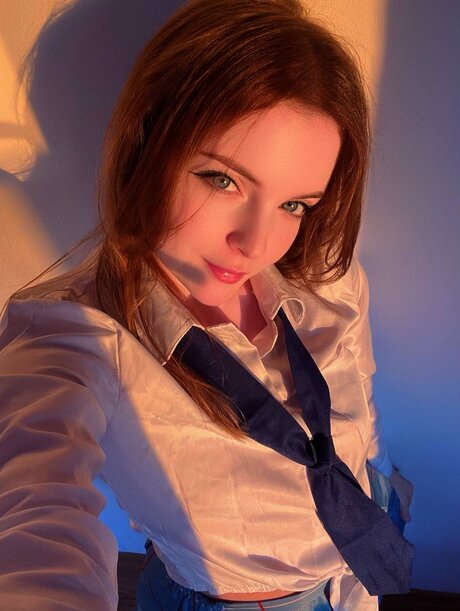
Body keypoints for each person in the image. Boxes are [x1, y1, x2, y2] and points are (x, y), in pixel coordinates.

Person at [0, 0, 414, 609]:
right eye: (223, 180)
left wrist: (379, 477)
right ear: (146, 144)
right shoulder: (75, 335)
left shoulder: (329, 278)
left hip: (358, 560)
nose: (257, 244)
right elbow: (32, 511)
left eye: (294, 205)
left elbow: (360, 395)